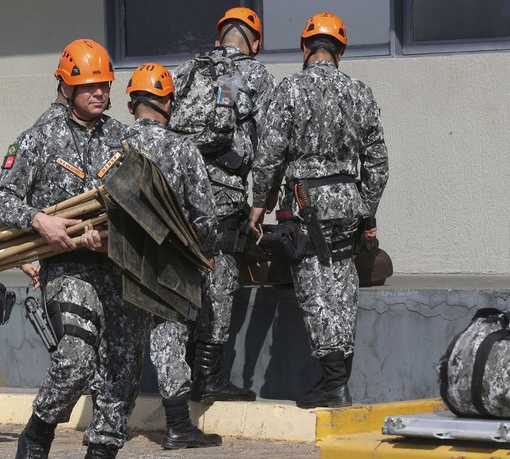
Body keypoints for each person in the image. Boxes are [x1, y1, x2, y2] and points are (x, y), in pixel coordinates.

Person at [0, 39, 150, 459]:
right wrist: (38, 220)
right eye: (89, 85)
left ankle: (101, 452)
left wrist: (116, 236)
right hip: (67, 269)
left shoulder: (124, 139)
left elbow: (147, 205)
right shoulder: (38, 139)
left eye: (105, 85)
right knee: (77, 359)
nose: (100, 92)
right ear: (66, 87)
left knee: (122, 371)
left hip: (118, 268)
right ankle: (38, 434)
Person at [249, 12, 389, 409]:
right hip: (347, 202)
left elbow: (269, 154)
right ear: (340, 51)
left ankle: (332, 384)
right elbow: (378, 161)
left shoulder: (290, 90)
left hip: (306, 203)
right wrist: (367, 211)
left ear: (304, 48)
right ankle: (337, 379)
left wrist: (261, 202)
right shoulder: (360, 92)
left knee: (315, 291)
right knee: (342, 284)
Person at [169, 7, 274, 404]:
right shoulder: (257, 75)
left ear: (219, 38)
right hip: (225, 193)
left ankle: (176, 374)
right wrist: (261, 201)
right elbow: (268, 146)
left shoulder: (184, 70)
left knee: (182, 278)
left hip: (178, 193)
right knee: (220, 279)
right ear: (255, 42)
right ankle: (208, 376)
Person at [122, 63, 222, 449]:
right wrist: (203, 255)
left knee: (119, 344)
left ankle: (107, 425)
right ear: (168, 102)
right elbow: (205, 216)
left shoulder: (114, 146)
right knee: (168, 341)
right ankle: (178, 426)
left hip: (119, 258)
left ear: (132, 105)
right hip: (170, 262)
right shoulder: (182, 148)